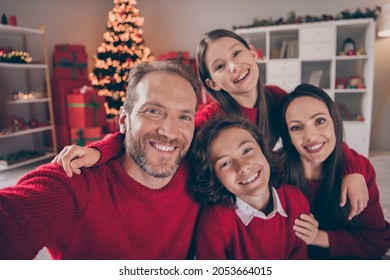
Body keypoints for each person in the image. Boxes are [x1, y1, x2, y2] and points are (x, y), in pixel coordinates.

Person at [52, 29, 367, 219]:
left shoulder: (278, 99)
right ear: (211, 82)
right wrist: (101, 150)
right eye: (219, 66)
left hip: (267, 189)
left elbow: (320, 134)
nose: (234, 67)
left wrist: (352, 168)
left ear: (252, 53)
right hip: (232, 200)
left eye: (236, 53)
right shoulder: (211, 117)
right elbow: (156, 135)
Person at [0, 61, 202, 260]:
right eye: (153, 111)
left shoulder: (200, 173)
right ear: (123, 120)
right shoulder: (76, 182)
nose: (170, 131)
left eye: (184, 117)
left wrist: (105, 148)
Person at [281, 83, 390, 259]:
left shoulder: (359, 170)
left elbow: (377, 241)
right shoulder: (276, 173)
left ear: (335, 122)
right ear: (288, 135)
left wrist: (318, 237)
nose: (311, 136)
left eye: (319, 121)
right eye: (296, 127)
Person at [189, 117, 310, 259]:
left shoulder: (295, 199)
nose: (243, 167)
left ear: (263, 149)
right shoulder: (215, 223)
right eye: (225, 163)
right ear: (215, 178)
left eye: (247, 150)